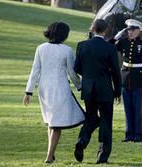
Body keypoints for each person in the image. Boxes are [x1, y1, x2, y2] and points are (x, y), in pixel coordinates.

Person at [23, 22, 85, 164]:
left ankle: (50, 153)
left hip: (44, 90)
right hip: (60, 89)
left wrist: (29, 91)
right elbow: (72, 73)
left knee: (52, 122)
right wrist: (80, 86)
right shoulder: (67, 50)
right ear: (64, 34)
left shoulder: (41, 48)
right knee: (55, 124)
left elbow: (34, 72)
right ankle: (49, 156)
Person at [73, 19, 121, 164]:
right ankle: (102, 155)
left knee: (91, 118)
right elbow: (115, 72)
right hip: (105, 89)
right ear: (105, 30)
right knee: (106, 121)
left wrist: (88, 76)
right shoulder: (110, 48)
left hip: (88, 89)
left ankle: (82, 141)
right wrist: (118, 91)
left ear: (92, 30)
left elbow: (77, 68)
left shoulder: (82, 45)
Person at [113, 19, 142, 142]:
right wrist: (117, 36)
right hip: (126, 78)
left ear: (138, 30)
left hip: (139, 79)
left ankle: (138, 135)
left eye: (132, 30)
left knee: (137, 109)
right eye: (128, 30)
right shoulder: (123, 42)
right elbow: (109, 45)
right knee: (128, 108)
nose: (129, 32)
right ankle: (128, 134)